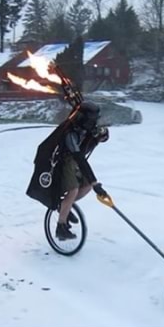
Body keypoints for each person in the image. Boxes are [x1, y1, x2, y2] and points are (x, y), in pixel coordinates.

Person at [55, 101, 109, 240]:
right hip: (65, 161)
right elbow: (79, 158)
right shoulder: (70, 134)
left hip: (75, 160)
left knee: (87, 185)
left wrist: (102, 135)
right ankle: (61, 226)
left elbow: (96, 137)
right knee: (73, 190)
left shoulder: (84, 128)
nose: (94, 123)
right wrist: (95, 183)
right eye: (92, 120)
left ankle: (65, 206)